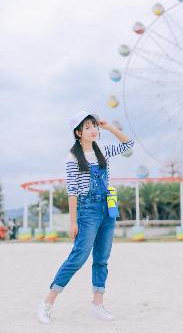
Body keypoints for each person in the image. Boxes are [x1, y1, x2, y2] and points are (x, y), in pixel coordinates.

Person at [38, 110, 134, 324]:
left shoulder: (103, 150)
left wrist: (109, 127)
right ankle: (47, 302)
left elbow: (129, 145)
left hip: (107, 209)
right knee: (78, 256)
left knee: (102, 258)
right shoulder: (73, 157)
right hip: (87, 211)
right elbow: (72, 190)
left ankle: (97, 305)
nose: (93, 130)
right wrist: (73, 221)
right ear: (78, 132)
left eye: (94, 126)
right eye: (87, 127)